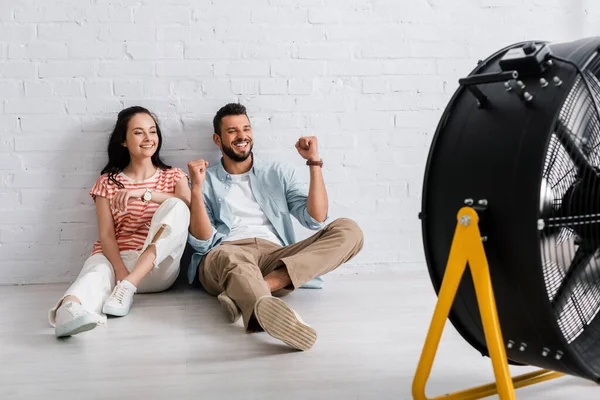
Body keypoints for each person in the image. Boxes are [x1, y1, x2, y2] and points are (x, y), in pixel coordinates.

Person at [186, 103, 364, 351]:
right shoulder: (206, 179)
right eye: (232, 131)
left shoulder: (277, 172)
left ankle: (258, 289)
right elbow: (202, 242)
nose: (242, 136)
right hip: (227, 251)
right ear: (218, 139)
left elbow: (316, 218)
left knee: (349, 230)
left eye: (246, 128)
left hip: (275, 256)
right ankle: (276, 317)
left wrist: (314, 162)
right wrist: (195, 188)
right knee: (231, 258)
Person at [48, 106, 191, 338]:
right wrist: (120, 271)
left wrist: (146, 193)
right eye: (138, 132)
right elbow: (106, 235)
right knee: (95, 270)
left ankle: (128, 287)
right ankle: (69, 311)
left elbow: (188, 205)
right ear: (123, 141)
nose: (148, 138)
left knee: (177, 206)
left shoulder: (173, 176)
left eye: (152, 131)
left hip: (157, 268)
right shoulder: (107, 182)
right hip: (119, 264)